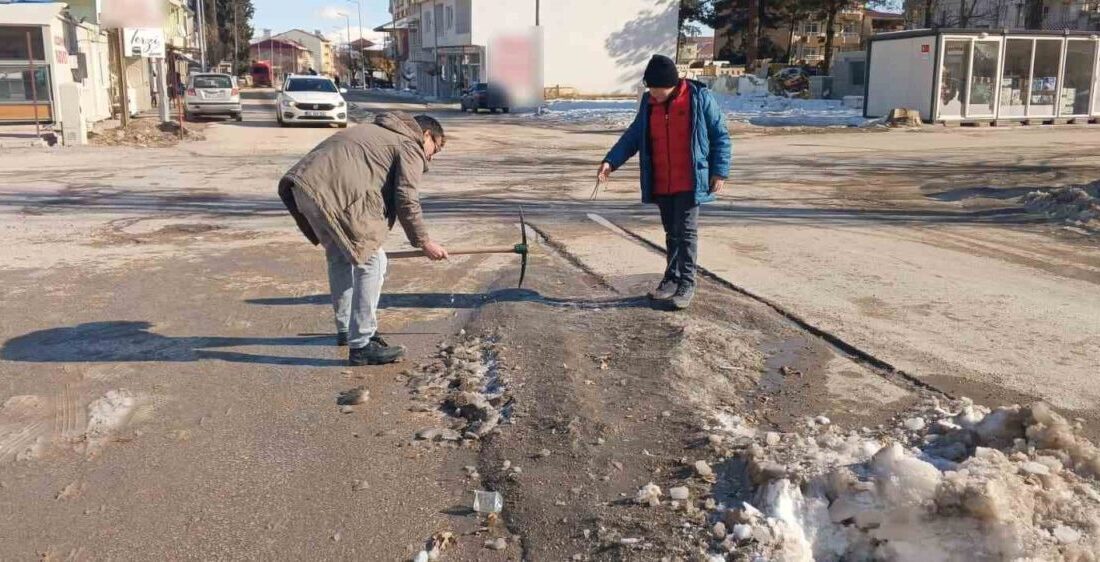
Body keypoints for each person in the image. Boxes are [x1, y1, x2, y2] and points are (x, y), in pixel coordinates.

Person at [278, 113, 449, 366]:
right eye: (436, 147)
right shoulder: (409, 143)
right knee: (373, 261)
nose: (432, 156)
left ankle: (348, 329)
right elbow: (406, 198)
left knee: (340, 257)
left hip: (302, 188)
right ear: (426, 135)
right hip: (333, 195)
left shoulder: (376, 131)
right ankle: (362, 344)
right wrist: (424, 242)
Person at [597, 54, 731, 310]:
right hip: (662, 180)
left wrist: (719, 172)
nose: (654, 96)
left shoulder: (698, 98)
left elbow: (720, 137)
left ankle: (687, 283)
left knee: (687, 232)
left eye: (659, 91)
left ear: (673, 84)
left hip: (691, 179)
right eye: (651, 91)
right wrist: (610, 162)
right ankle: (671, 278)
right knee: (672, 232)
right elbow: (633, 136)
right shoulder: (649, 103)